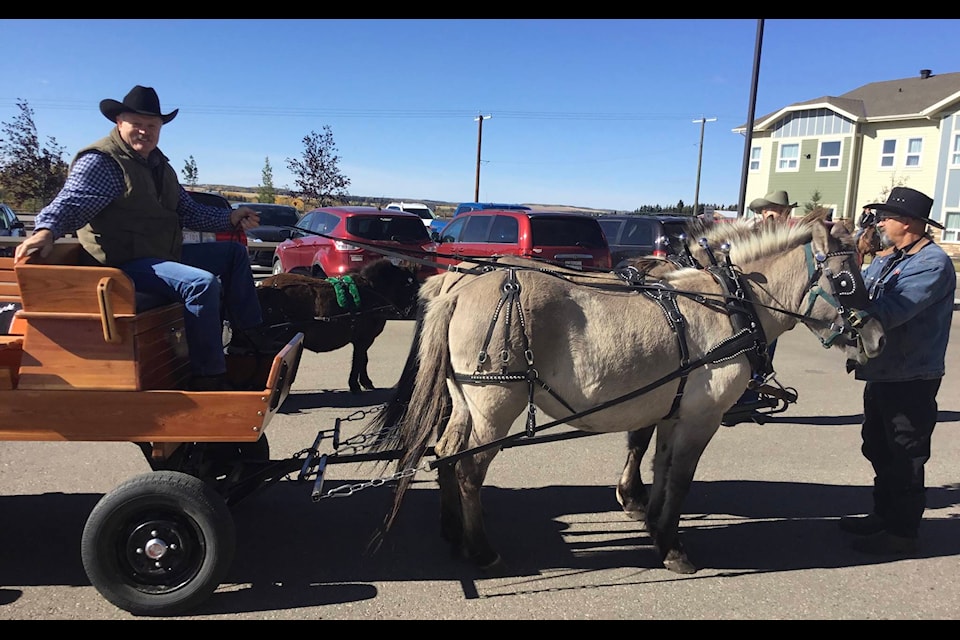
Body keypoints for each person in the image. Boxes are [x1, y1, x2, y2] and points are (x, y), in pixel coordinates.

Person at [14, 85, 267, 391]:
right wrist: (46, 231)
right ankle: (209, 376)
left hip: (160, 255)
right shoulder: (104, 161)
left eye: (152, 126)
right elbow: (73, 202)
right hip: (119, 264)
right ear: (119, 122)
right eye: (137, 124)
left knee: (234, 254)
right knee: (200, 284)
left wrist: (231, 217)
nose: (145, 132)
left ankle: (249, 338)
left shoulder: (160, 165)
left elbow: (188, 212)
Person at [840, 187, 955, 555]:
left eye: (885, 217)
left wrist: (849, 306)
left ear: (906, 221)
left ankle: (902, 532)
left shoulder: (931, 264)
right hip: (882, 371)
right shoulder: (888, 257)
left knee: (905, 453)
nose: (880, 223)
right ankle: (883, 516)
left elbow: (890, 311)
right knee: (877, 446)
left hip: (911, 376)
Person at [721, 190, 796, 425]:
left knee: (765, 353)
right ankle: (734, 400)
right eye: (770, 211)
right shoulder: (751, 236)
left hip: (772, 305)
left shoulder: (788, 239)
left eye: (779, 212)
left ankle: (749, 401)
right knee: (739, 350)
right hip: (747, 300)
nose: (773, 216)